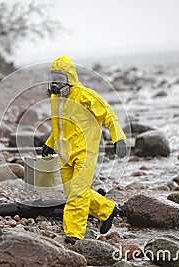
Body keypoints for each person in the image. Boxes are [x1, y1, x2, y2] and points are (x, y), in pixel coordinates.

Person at [42, 56, 127, 244]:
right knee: (72, 192)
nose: (55, 82)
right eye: (53, 77)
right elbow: (61, 125)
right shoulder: (56, 99)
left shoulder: (85, 95)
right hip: (64, 153)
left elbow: (109, 115)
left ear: (69, 78)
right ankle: (107, 209)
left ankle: (74, 234)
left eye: (60, 77)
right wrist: (50, 142)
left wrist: (118, 137)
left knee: (78, 194)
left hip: (84, 151)